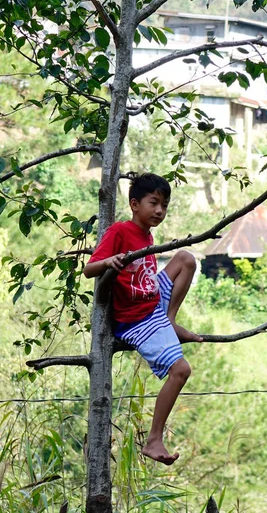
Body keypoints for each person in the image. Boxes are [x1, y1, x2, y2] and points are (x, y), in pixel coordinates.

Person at [83, 172, 202, 465]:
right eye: (154, 203)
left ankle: (170, 320)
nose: (160, 211)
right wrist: (108, 262)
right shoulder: (120, 231)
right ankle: (154, 439)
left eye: (164, 205)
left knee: (186, 259)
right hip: (136, 319)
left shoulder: (147, 235)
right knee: (181, 371)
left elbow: (147, 275)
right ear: (134, 204)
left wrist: (164, 314)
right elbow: (89, 269)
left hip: (152, 302)